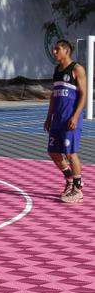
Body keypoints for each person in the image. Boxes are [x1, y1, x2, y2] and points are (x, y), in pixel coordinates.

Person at [44, 39, 86, 203]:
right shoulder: (57, 70)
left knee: (70, 153)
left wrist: (75, 116)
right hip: (57, 120)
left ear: (66, 51)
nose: (54, 52)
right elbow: (54, 96)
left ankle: (78, 189)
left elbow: (83, 95)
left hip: (70, 120)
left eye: (57, 49)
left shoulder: (77, 69)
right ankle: (69, 179)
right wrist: (49, 117)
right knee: (53, 152)